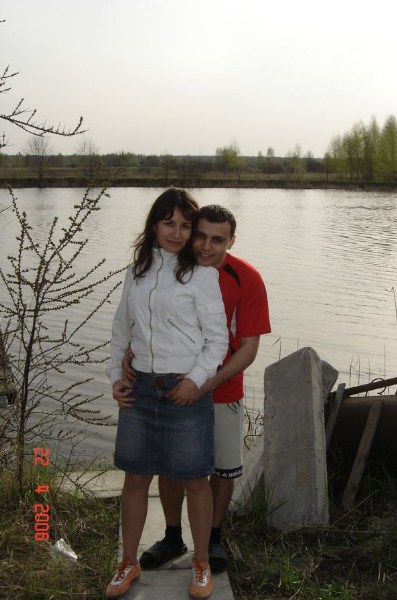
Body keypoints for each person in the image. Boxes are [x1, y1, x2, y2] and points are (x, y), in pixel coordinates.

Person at [117, 204, 271, 574]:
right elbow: (145, 319)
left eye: (217, 240)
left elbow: (248, 347)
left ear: (231, 241)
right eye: (199, 235)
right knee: (172, 469)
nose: (205, 246)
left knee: (221, 470)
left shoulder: (246, 278)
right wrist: (131, 352)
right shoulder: (170, 269)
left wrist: (205, 384)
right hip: (169, 388)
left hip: (222, 389)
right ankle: (173, 536)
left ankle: (212, 538)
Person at [105, 190, 228, 599]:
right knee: (136, 478)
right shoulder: (136, 272)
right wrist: (116, 376)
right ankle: (128, 562)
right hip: (140, 390)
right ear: (154, 225)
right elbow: (120, 331)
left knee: (195, 481)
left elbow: (217, 341)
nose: (176, 233)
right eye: (168, 223)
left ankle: (201, 563)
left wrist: (195, 380)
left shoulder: (202, 276)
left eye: (185, 226)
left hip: (185, 391)